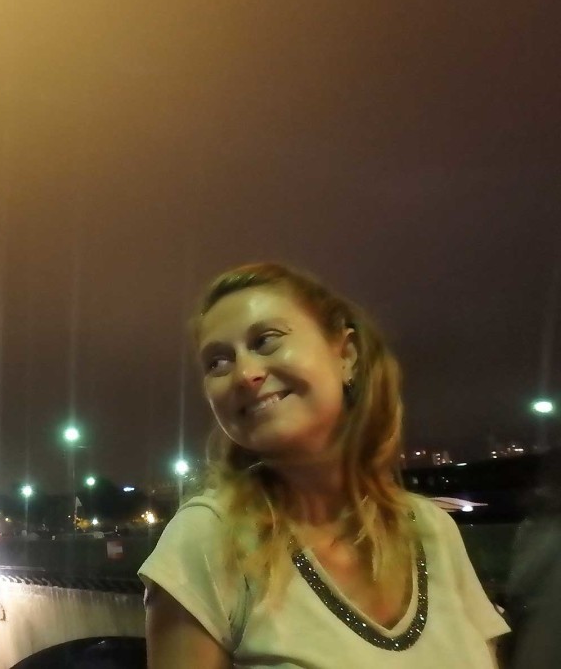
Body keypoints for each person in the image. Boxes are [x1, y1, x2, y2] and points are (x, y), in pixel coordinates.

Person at [139, 263, 509, 668]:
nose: (245, 374)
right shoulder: (209, 539)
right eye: (217, 362)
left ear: (345, 355)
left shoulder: (432, 530)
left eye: (266, 341)